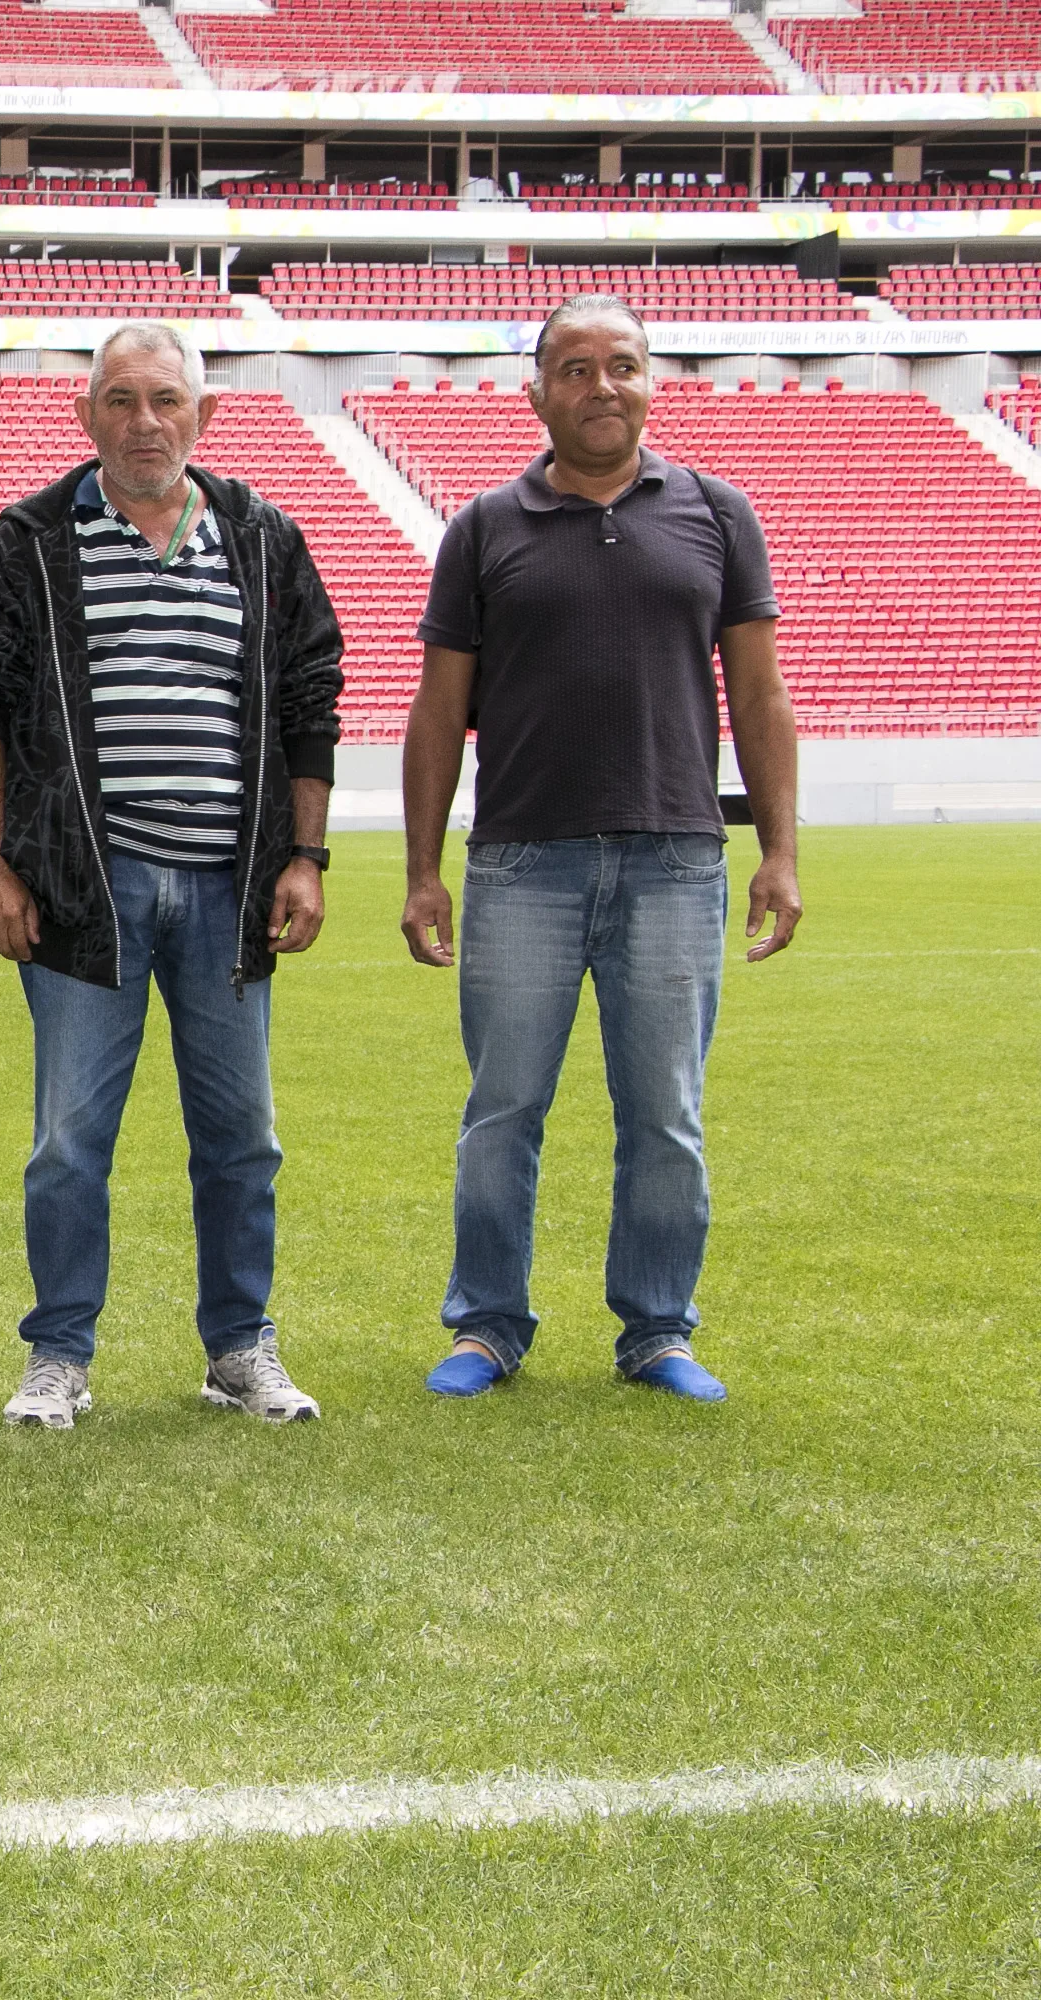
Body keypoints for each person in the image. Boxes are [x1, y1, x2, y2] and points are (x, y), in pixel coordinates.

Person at [0, 321, 346, 1432]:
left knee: (242, 1136)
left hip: (230, 886)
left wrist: (305, 857)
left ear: (204, 415)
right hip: (85, 887)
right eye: (118, 400)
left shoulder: (263, 538)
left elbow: (311, 698)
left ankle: (239, 1345)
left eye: (165, 399)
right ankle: (59, 1354)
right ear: (87, 416)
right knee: (71, 1139)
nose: (143, 422)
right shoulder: (30, 538)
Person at [401, 296, 798, 1404]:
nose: (601, 386)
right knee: (503, 1109)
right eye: (574, 368)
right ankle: (486, 1325)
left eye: (621, 364)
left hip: (677, 856)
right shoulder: (485, 526)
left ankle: (657, 1329)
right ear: (537, 391)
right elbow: (439, 710)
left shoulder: (719, 515)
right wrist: (424, 868)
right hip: (523, 861)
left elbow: (759, 696)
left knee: (664, 1113)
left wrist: (779, 850)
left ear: (650, 381)